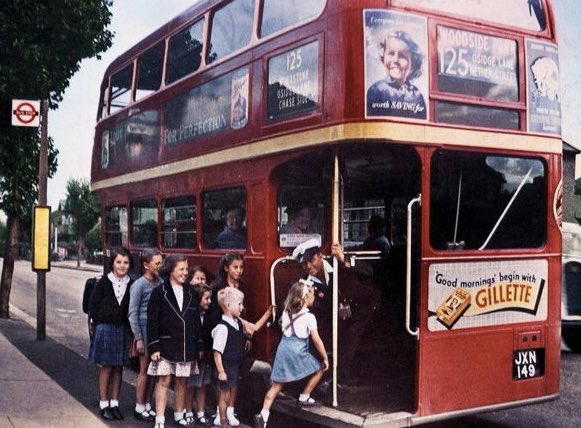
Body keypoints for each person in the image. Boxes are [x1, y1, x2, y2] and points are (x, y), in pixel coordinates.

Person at [253, 280, 329, 428]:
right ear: (305, 298)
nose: (315, 297)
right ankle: (304, 396)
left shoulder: (286, 312)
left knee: (276, 386)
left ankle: (263, 415)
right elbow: (317, 340)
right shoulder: (309, 317)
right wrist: (325, 357)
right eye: (312, 294)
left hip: (284, 349)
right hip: (298, 350)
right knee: (320, 368)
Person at [208, 253, 272, 426]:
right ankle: (219, 413)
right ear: (226, 267)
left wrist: (247, 335)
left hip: (238, 336)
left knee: (234, 379)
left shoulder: (244, 287)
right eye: (235, 267)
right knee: (223, 383)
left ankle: (230, 411)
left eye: (241, 267)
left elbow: (246, 315)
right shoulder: (217, 288)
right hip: (224, 340)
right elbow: (213, 316)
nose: (239, 271)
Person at [147, 254, 198, 428]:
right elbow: (152, 321)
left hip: (185, 344)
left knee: (182, 381)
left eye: (186, 269)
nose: (186, 273)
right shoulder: (159, 292)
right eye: (181, 269)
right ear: (170, 270)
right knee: (164, 380)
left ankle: (178, 414)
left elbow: (195, 320)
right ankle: (160, 418)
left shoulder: (191, 292)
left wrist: (198, 344)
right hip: (166, 344)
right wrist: (154, 346)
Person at [88, 247, 134, 421]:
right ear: (112, 264)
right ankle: (104, 403)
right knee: (107, 366)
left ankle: (114, 403)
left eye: (126, 262)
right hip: (106, 328)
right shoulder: (104, 282)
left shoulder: (131, 283)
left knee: (119, 367)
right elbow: (93, 306)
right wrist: (99, 325)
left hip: (122, 329)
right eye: (119, 262)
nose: (122, 266)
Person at [128, 248, 163, 422]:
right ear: (146, 265)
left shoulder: (160, 282)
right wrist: (139, 338)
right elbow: (132, 313)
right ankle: (139, 406)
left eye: (161, 262)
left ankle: (148, 403)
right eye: (156, 263)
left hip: (155, 331)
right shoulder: (139, 285)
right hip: (143, 330)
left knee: (154, 371)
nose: (160, 265)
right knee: (144, 370)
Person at [366, 30, 426, 119]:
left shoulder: (417, 95)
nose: (395, 60)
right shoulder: (376, 90)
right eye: (391, 54)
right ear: (384, 57)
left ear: (412, 62)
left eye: (402, 56)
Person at [184, 267, 213, 425]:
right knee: (191, 385)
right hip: (193, 355)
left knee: (203, 384)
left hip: (205, 356)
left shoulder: (207, 314)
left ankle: (200, 412)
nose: (209, 302)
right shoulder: (191, 315)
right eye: (206, 299)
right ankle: (188, 411)